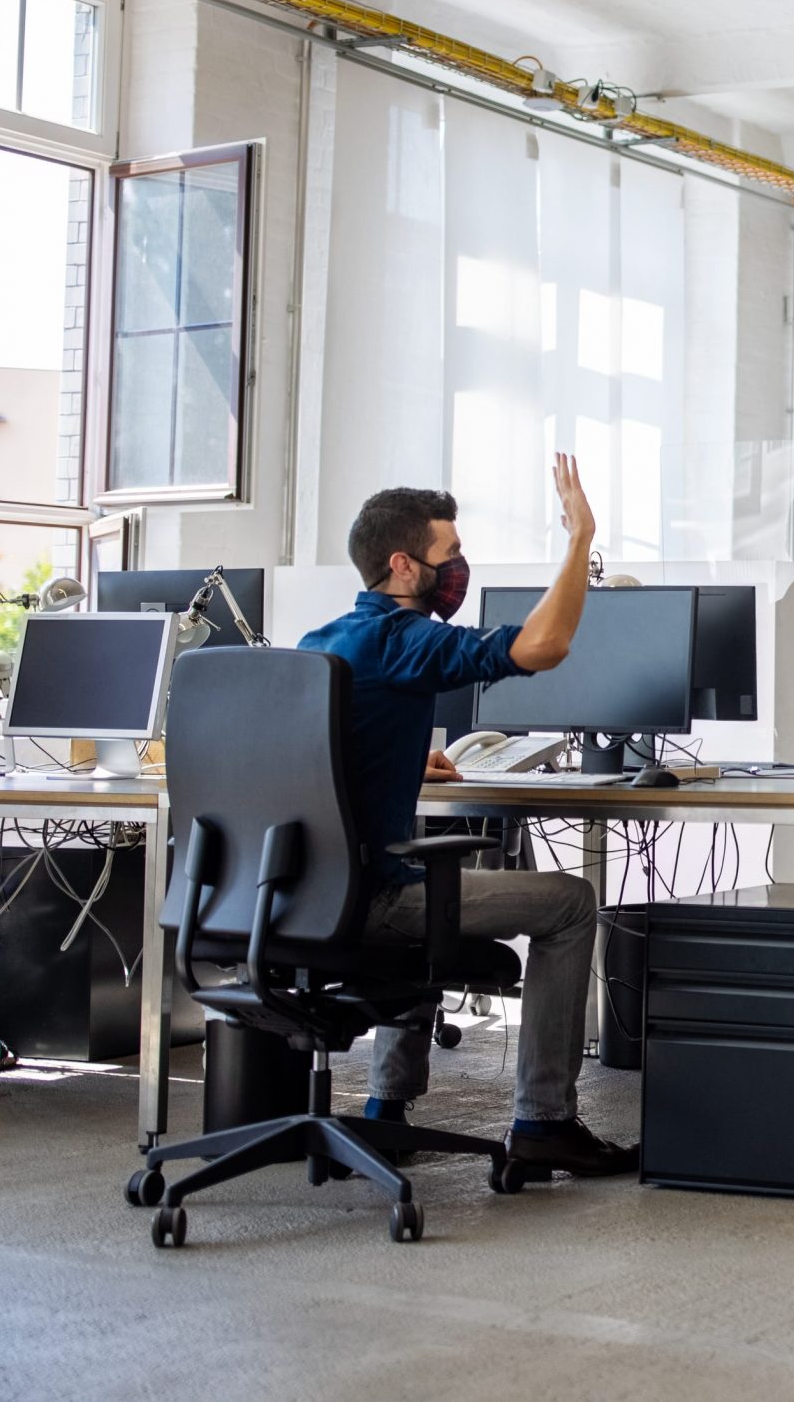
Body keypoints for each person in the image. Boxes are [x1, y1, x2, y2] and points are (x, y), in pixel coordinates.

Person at [297, 456, 637, 1177]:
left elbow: (310, 758)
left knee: (429, 872)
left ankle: (387, 1112)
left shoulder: (321, 642)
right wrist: (579, 540)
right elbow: (544, 646)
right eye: (449, 553)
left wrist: (396, 760)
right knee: (572, 902)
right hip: (374, 900)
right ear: (403, 565)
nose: (460, 568)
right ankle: (544, 1120)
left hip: (299, 897)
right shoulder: (406, 638)